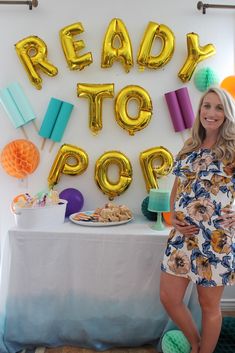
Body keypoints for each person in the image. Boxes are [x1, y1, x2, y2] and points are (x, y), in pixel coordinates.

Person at [160, 86, 235, 353]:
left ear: (226, 114)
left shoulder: (233, 148)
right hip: (182, 238)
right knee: (169, 297)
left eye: (218, 107)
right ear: (200, 110)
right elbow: (177, 187)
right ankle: (195, 342)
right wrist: (173, 216)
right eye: (206, 106)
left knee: (208, 305)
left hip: (215, 241)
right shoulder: (190, 146)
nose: (211, 113)